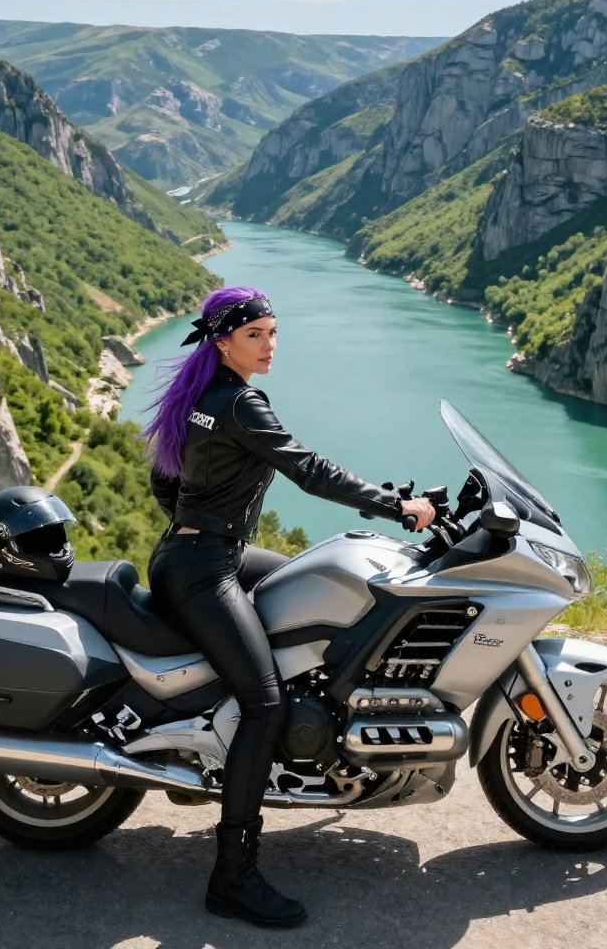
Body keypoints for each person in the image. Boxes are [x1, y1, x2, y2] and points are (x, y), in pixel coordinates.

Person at [142, 286, 435, 928]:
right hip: (202, 570)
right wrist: (398, 506)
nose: (270, 345)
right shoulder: (242, 401)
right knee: (265, 701)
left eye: (274, 332)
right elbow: (310, 470)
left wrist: (197, 527)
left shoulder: (200, 395)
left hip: (195, 554)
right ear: (224, 341)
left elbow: (165, 477)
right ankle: (234, 877)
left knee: (320, 594)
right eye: (257, 335)